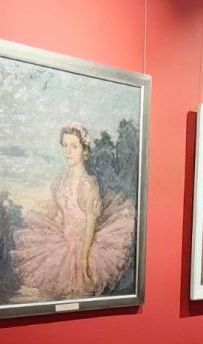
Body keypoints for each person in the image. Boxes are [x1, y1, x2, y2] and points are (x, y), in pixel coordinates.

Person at [11, 123, 135, 299]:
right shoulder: (59, 182)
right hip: (63, 243)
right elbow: (62, 214)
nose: (68, 151)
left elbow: (90, 223)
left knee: (76, 296)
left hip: (83, 246)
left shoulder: (87, 184)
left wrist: (83, 258)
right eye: (65, 145)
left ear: (84, 150)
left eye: (74, 146)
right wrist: (48, 230)